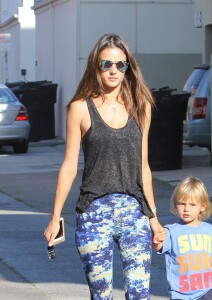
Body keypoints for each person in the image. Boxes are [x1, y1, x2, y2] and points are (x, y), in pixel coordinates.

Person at [44, 33, 165, 300]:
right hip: (93, 213)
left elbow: (143, 166)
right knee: (101, 295)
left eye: (120, 65)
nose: (113, 70)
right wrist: (55, 217)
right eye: (106, 64)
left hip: (134, 213)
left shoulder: (140, 106)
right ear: (95, 66)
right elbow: (69, 166)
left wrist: (154, 218)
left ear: (128, 68)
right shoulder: (79, 108)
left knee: (140, 293)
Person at [153, 176, 212, 300]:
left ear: (202, 206)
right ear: (175, 204)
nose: (186, 209)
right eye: (182, 204)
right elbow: (157, 246)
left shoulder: (209, 230)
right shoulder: (171, 231)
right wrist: (156, 237)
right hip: (180, 293)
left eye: (192, 204)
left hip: (206, 291)